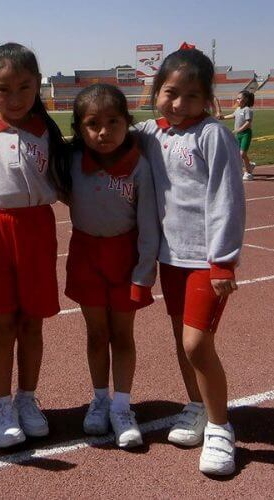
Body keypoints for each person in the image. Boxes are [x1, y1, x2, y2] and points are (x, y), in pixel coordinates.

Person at [135, 47, 245, 475]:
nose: (179, 105)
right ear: (156, 91)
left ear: (208, 100)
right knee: (183, 340)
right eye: (170, 93)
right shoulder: (150, 132)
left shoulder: (212, 135)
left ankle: (220, 427)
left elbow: (226, 199)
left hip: (204, 260)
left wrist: (223, 261)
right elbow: (106, 132)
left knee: (198, 344)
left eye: (192, 97)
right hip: (170, 257)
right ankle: (197, 406)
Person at [0, 42, 69, 448]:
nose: (16, 97)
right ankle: (2, 404)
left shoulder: (48, 131)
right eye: (5, 89)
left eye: (25, 87)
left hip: (37, 230)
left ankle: (27, 398)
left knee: (32, 321)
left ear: (38, 84)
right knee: (2, 323)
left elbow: (65, 182)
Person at [65, 84, 159, 448]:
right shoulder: (71, 162)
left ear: (128, 123)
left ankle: (122, 406)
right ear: (78, 128)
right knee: (95, 334)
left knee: (122, 335)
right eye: (92, 124)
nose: (103, 132)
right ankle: (99, 398)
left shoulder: (139, 166)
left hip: (126, 257)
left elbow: (149, 223)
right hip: (85, 254)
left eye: (113, 122)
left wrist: (143, 272)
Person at [219, 90, 255, 180]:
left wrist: (239, 130)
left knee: (242, 154)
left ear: (245, 99)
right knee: (238, 154)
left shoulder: (247, 110)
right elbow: (233, 115)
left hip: (245, 134)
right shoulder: (238, 109)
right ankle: (249, 165)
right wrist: (223, 117)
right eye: (237, 98)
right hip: (238, 135)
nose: (237, 100)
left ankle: (248, 173)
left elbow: (248, 123)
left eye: (239, 98)